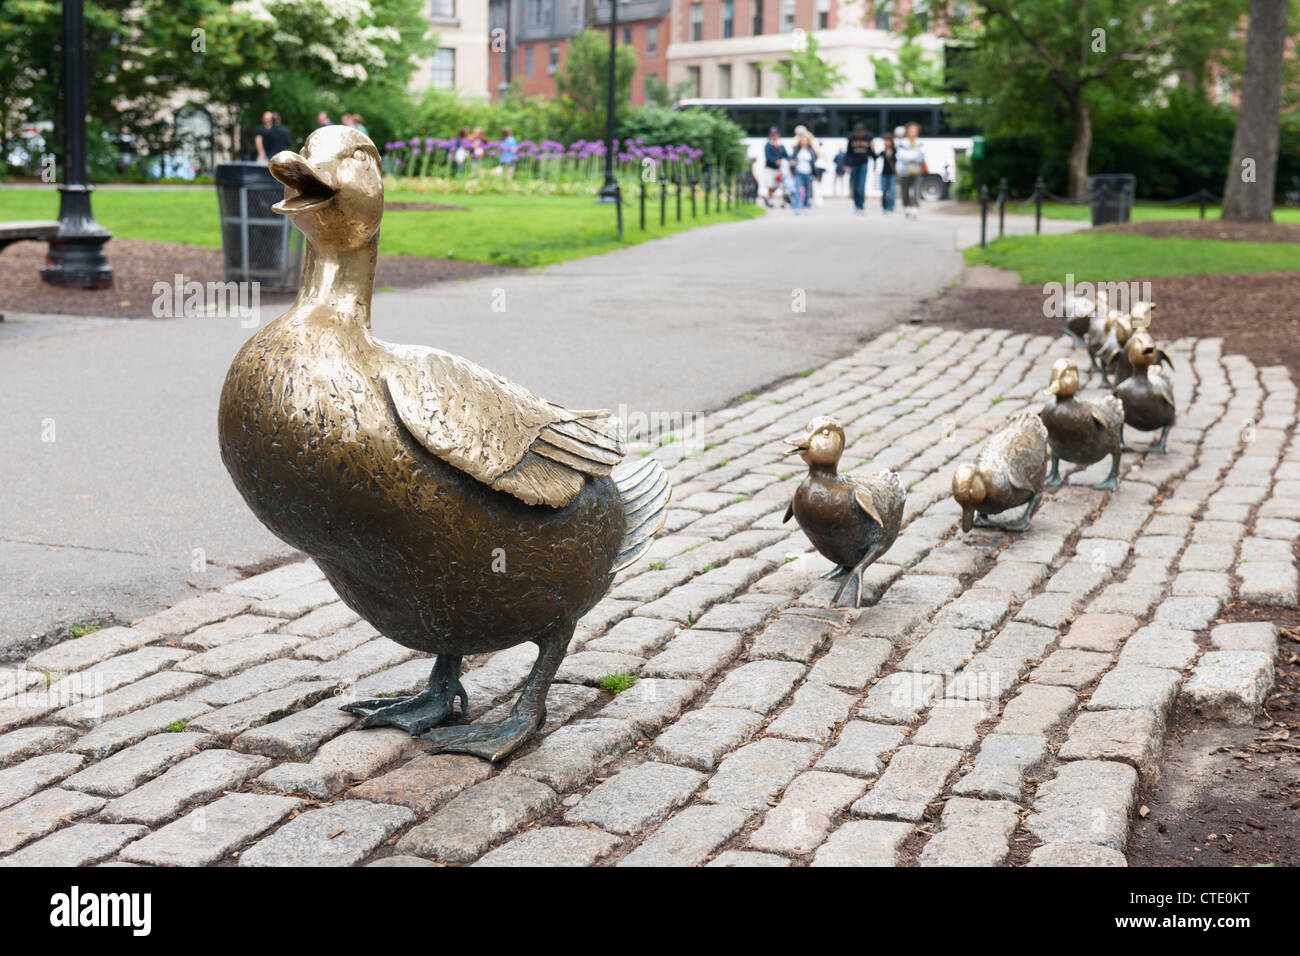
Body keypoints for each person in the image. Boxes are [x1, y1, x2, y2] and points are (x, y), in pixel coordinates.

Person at [896, 121, 928, 219]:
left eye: (915, 131)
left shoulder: (920, 143)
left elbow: (921, 156)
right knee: (905, 191)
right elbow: (901, 156)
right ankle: (906, 207)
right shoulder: (903, 143)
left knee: (916, 190)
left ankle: (915, 208)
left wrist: (910, 155)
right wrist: (914, 155)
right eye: (911, 130)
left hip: (917, 170)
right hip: (904, 171)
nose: (913, 132)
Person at [845, 122, 875, 214]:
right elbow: (848, 152)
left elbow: (872, 153)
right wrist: (846, 165)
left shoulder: (868, 138)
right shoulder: (852, 138)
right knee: (854, 186)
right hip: (854, 164)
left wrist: (874, 151)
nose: (860, 134)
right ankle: (856, 205)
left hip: (863, 164)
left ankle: (861, 206)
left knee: (861, 186)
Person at [789, 132, 819, 214]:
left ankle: (806, 205)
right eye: (802, 140)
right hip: (798, 173)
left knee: (808, 191)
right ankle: (797, 207)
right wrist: (792, 166)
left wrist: (816, 174)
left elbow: (814, 163)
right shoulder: (796, 150)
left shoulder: (811, 150)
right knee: (797, 190)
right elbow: (791, 159)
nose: (804, 142)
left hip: (808, 173)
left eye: (805, 140)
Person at [763, 128, 788, 208]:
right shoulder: (768, 145)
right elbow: (768, 157)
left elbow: (786, 156)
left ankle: (768, 197)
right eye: (772, 135)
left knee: (778, 185)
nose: (774, 136)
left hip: (778, 169)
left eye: (776, 134)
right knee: (770, 185)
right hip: (770, 168)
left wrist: (784, 161)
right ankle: (771, 201)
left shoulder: (781, 146)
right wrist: (775, 161)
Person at [878, 133, 898, 214]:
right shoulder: (883, 152)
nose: (885, 142)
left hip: (892, 174)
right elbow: (875, 156)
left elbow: (898, 160)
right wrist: (871, 148)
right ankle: (884, 207)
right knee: (884, 191)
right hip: (884, 173)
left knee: (892, 191)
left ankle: (890, 208)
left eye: (887, 141)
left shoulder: (896, 151)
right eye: (884, 141)